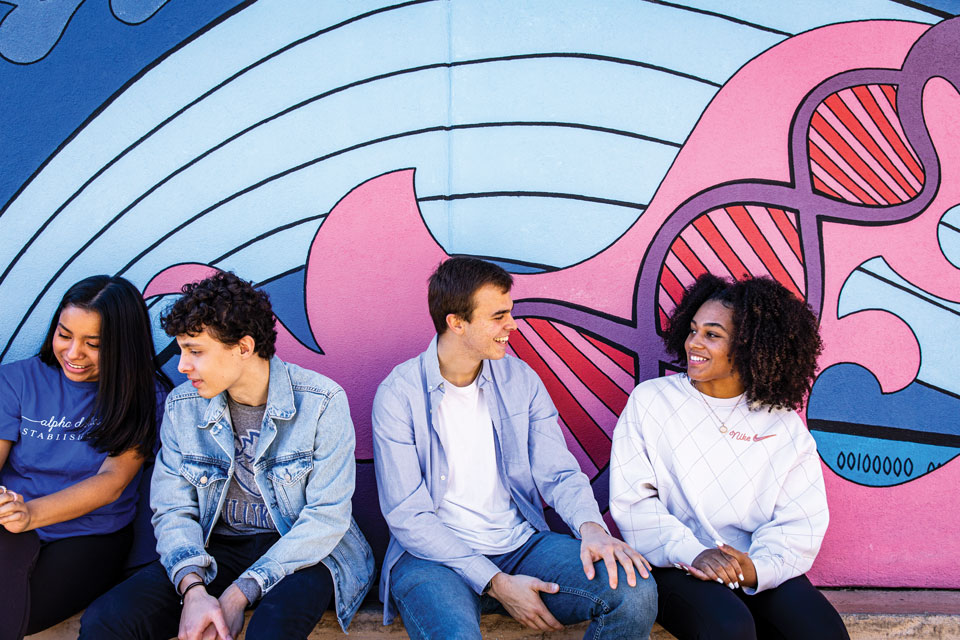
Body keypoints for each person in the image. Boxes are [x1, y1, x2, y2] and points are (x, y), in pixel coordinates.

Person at [372, 256, 658, 640]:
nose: (513, 325)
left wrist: (591, 529)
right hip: (433, 560)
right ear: (456, 323)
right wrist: (496, 582)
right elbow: (409, 516)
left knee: (633, 592)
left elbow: (557, 473)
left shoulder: (521, 380)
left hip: (520, 545)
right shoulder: (398, 395)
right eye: (498, 316)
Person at [80, 271, 374, 640]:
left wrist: (238, 594)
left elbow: (326, 518)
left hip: (302, 551)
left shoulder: (321, 401)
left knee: (272, 630)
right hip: (215, 546)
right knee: (107, 620)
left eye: (196, 351)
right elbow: (173, 510)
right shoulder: (182, 406)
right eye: (182, 350)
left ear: (244, 348)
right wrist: (193, 589)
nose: (182, 366)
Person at [609, 273, 849, 640]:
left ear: (749, 346)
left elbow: (801, 518)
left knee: (823, 632)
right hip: (676, 562)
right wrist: (694, 553)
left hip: (753, 563)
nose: (694, 343)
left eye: (712, 335)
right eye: (693, 330)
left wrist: (754, 568)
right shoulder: (652, 401)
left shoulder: (781, 422)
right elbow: (635, 502)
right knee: (729, 629)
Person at [0, 275, 172, 640]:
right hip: (9, 528)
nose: (73, 352)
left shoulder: (143, 396)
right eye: (64, 335)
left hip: (89, 535)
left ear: (123, 345)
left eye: (93, 344)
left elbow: (111, 482)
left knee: (14, 613)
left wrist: (31, 513)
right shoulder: (16, 381)